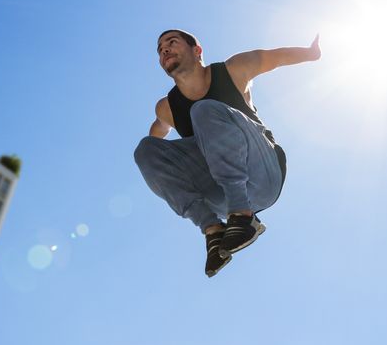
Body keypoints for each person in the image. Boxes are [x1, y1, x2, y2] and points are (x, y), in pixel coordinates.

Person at [134, 29, 321, 277]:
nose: (164, 50)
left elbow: (274, 58)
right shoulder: (166, 107)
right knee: (144, 149)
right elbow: (156, 136)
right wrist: (157, 172)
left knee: (203, 111)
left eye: (171, 43)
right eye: (160, 49)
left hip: (263, 174)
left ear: (197, 50)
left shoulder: (233, 70)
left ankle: (243, 217)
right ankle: (213, 230)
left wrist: (311, 53)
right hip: (220, 196)